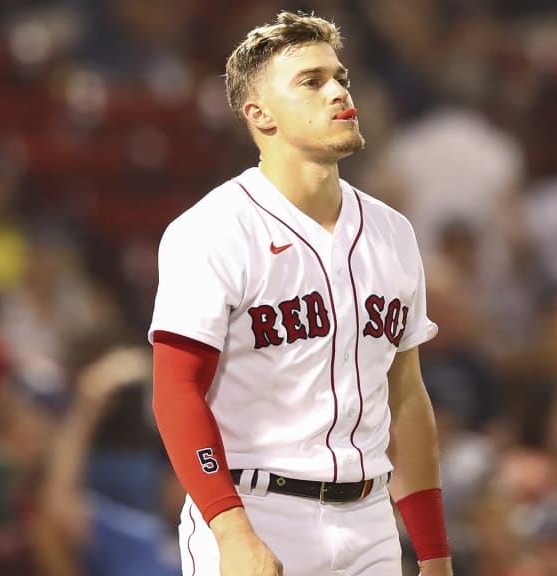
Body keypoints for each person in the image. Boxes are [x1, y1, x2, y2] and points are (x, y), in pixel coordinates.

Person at [149, 11, 451, 576]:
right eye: (311, 82)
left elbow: (407, 398)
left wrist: (433, 552)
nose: (338, 91)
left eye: (341, 77)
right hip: (258, 508)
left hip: (370, 520)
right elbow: (175, 390)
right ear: (259, 115)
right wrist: (230, 529)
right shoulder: (213, 228)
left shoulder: (393, 232)